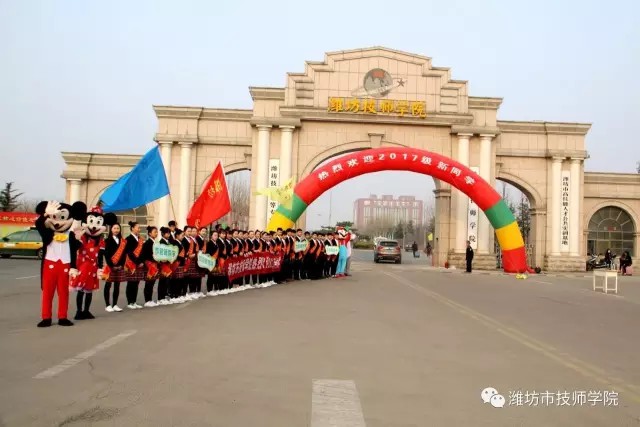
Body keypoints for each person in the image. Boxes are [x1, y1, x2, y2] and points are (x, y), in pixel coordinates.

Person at [102, 222, 126, 313]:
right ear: (111, 229)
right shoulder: (107, 240)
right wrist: (112, 265)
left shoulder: (123, 241)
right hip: (110, 266)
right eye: (114, 228)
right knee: (108, 285)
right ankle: (107, 305)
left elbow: (124, 254)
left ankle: (115, 304)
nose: (116, 230)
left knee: (117, 285)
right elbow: (107, 254)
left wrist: (121, 265)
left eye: (118, 228)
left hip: (119, 266)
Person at [124, 221, 145, 309]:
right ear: (132, 228)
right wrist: (137, 262)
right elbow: (129, 253)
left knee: (136, 283)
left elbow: (142, 252)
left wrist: (141, 262)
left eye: (139, 227)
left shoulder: (140, 239)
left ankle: (134, 301)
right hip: (131, 263)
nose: (139, 229)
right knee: (131, 283)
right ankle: (130, 302)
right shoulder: (128, 239)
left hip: (139, 263)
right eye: (137, 227)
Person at [141, 226, 159, 307]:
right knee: (148, 283)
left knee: (152, 283)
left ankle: (150, 299)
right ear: (150, 233)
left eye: (156, 232)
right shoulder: (147, 243)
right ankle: (147, 300)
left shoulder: (156, 242)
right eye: (155, 232)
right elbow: (145, 255)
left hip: (154, 264)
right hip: (149, 265)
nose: (156, 233)